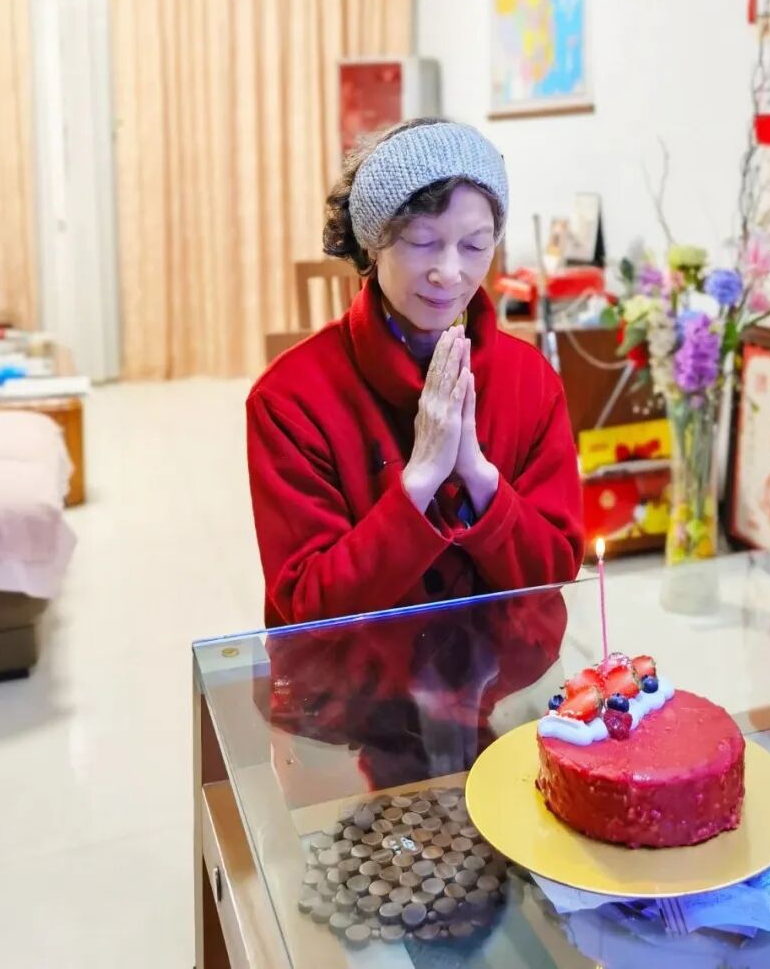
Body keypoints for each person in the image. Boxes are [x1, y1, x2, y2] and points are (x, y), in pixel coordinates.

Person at [247, 118, 584, 627]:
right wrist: (421, 477)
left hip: (505, 671)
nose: (450, 273)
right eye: (422, 241)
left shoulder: (531, 380)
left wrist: (479, 477)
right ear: (372, 242)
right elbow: (308, 609)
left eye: (475, 246)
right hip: (356, 674)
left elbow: (555, 570)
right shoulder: (289, 398)